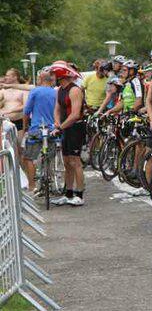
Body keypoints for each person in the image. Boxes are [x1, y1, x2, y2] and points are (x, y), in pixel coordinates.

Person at [50, 62, 87, 206]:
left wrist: (60, 127)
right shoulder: (60, 90)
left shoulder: (75, 90)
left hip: (76, 127)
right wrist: (57, 122)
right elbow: (57, 108)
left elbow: (75, 114)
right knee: (66, 162)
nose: (52, 78)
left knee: (75, 161)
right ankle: (68, 193)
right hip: (65, 127)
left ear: (60, 76)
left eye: (54, 75)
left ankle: (80, 195)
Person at [21, 69, 57, 188]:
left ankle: (32, 185)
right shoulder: (55, 93)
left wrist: (25, 127)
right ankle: (50, 179)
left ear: (40, 79)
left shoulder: (35, 92)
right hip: (52, 129)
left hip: (36, 128)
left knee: (29, 158)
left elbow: (26, 111)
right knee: (50, 157)